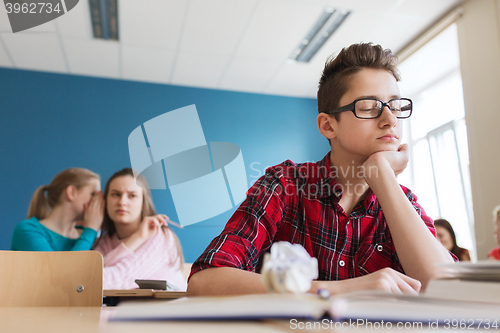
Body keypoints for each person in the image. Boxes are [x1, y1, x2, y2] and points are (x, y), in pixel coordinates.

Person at [187, 43, 455, 297]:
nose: (390, 120)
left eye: (395, 106)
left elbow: (447, 291)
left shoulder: (402, 202)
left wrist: (384, 178)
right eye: (369, 107)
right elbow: (205, 281)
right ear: (328, 126)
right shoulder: (286, 184)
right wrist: (342, 291)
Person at [93, 168, 186, 290]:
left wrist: (140, 237)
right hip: (125, 308)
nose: (122, 202)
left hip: (168, 307)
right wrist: (137, 238)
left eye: (132, 195)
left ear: (143, 203)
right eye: (116, 194)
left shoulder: (159, 234)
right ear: (105, 201)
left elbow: (116, 279)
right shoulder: (105, 242)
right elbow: (90, 276)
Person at [11, 168, 104, 251]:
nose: (98, 202)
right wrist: (91, 229)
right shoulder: (27, 230)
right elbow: (58, 270)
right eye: (93, 194)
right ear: (71, 192)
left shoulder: (85, 236)